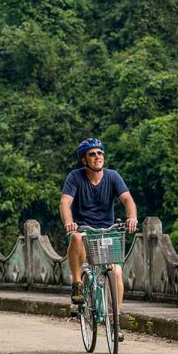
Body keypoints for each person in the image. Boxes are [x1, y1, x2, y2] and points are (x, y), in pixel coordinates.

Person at [60, 138, 137, 341]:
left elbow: (127, 199)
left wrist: (132, 217)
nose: (97, 157)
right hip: (83, 229)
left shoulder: (112, 177)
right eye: (92, 154)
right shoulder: (75, 177)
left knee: (117, 272)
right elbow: (65, 202)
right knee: (76, 238)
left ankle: (115, 319)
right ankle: (77, 283)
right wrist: (69, 222)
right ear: (84, 159)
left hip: (107, 231)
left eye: (100, 153)